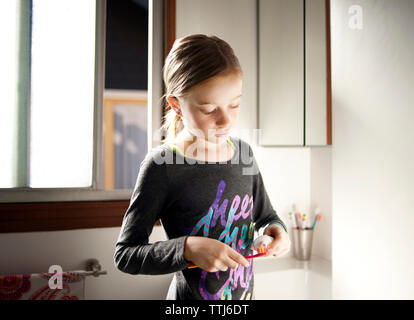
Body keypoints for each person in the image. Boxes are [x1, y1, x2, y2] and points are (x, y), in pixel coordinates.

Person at [114, 34, 290, 300]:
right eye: (209, 109)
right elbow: (126, 254)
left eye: (235, 104)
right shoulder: (161, 166)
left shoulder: (244, 153)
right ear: (177, 105)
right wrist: (187, 248)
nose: (225, 120)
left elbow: (267, 218)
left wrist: (277, 231)